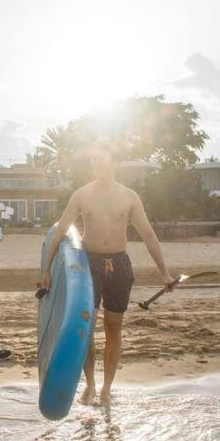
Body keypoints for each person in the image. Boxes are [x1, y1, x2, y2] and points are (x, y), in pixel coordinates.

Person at [39, 140, 175, 404]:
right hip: (88, 267)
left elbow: (148, 234)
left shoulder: (129, 196)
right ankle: (89, 384)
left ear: (115, 163)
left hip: (119, 266)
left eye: (102, 160)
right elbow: (59, 233)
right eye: (93, 160)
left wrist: (165, 273)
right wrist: (46, 270)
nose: (97, 164)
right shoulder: (81, 195)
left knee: (114, 328)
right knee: (85, 328)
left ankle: (106, 389)